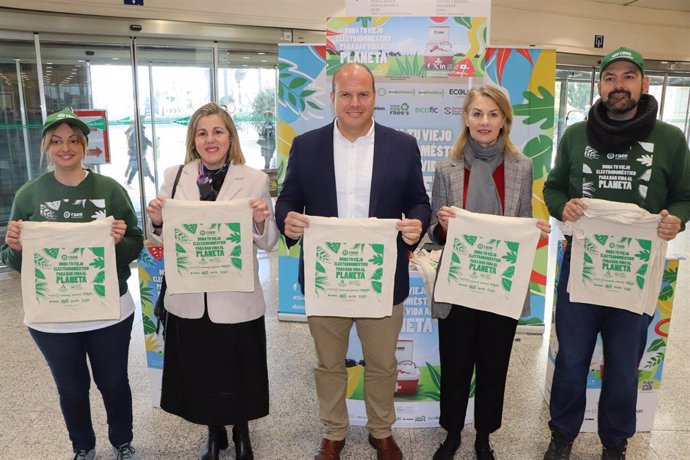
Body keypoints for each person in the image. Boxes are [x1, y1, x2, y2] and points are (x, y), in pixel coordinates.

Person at [275, 62, 431, 460]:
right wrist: (287, 220)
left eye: (363, 94)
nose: (355, 103)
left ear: (375, 97)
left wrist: (418, 222)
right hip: (327, 279)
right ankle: (334, 431)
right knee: (329, 364)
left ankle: (381, 431)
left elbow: (418, 200)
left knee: (382, 363)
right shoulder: (306, 146)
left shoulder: (402, 145)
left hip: (382, 279)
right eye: (346, 94)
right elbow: (288, 200)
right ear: (332, 99)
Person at [542, 47, 690, 460]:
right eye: (610, 78)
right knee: (572, 359)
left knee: (624, 366)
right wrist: (562, 206)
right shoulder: (575, 135)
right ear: (600, 85)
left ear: (643, 84)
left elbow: (685, 196)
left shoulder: (670, 139)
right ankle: (562, 436)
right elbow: (553, 188)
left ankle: (615, 442)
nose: (618, 85)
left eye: (628, 77)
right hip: (581, 270)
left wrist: (676, 219)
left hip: (637, 273)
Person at [0, 108, 144, 460]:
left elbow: (135, 244)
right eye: (57, 141)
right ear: (47, 146)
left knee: (113, 383)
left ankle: (122, 442)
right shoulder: (30, 195)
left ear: (85, 145)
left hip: (109, 310)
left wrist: (118, 241)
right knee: (71, 389)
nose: (66, 148)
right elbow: (15, 260)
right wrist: (16, 246)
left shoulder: (109, 189)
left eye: (74, 140)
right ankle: (83, 447)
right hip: (52, 315)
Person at [145, 102, 278, 460]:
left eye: (217, 131)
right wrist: (156, 221)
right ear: (194, 139)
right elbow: (161, 237)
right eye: (202, 133)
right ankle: (214, 432)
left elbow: (269, 242)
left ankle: (242, 433)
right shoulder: (175, 175)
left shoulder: (254, 179)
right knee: (203, 371)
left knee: (240, 369)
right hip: (190, 296)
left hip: (235, 296)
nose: (210, 139)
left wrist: (262, 220)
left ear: (230, 136)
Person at [428, 85, 551, 460]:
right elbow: (434, 232)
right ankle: (451, 433)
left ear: (505, 121)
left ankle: (484, 436)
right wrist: (445, 226)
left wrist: (535, 229)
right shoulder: (446, 168)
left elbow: (518, 226)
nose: (485, 121)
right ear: (466, 118)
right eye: (477, 113)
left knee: (494, 365)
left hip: (501, 287)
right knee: (455, 363)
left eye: (493, 114)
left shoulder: (522, 166)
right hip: (459, 285)